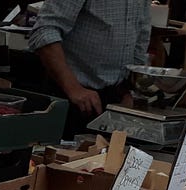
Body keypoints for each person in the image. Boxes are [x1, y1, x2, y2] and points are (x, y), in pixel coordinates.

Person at [28, 0, 152, 131]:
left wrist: (129, 89)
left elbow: (141, 35)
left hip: (115, 98)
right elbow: (44, 31)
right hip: (71, 97)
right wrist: (73, 88)